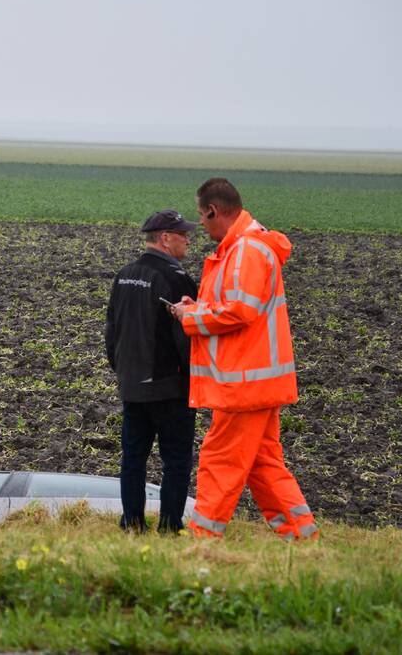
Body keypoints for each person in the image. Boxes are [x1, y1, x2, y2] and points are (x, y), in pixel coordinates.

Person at [170, 178, 318, 541]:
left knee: (219, 458)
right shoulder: (240, 248)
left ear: (213, 210)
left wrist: (190, 317)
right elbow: (232, 304)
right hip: (252, 380)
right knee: (263, 463)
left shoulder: (247, 251)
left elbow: (241, 310)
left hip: (243, 381)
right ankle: (301, 535)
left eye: (201, 217)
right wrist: (199, 306)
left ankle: (203, 538)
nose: (200, 224)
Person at [105, 209, 198, 534]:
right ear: (165, 238)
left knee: (133, 458)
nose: (189, 238)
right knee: (176, 461)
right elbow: (188, 336)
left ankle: (131, 523)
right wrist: (194, 380)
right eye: (183, 233)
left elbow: (111, 330)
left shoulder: (124, 274)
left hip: (132, 385)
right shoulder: (177, 279)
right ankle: (170, 526)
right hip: (170, 387)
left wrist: (123, 372)